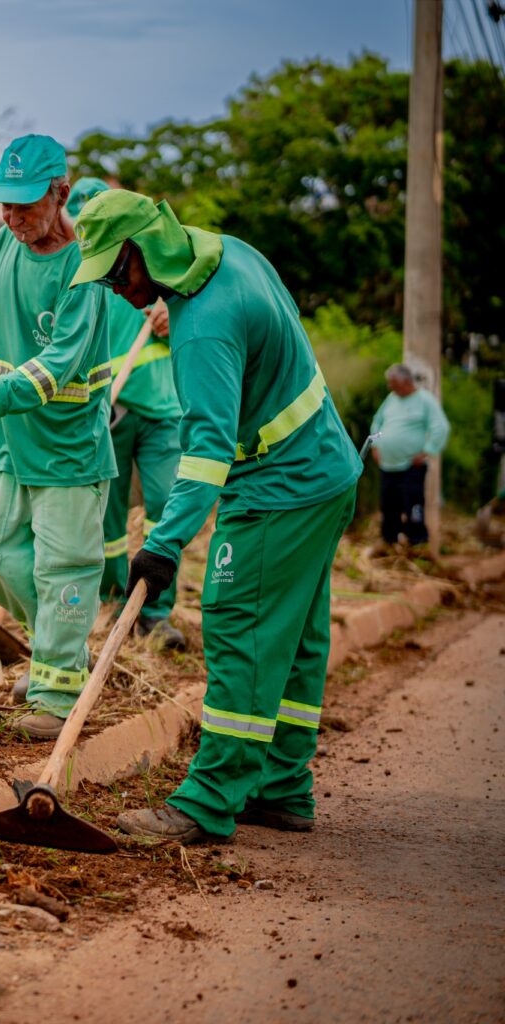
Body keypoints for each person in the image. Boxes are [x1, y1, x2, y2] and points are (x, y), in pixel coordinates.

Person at [69, 189, 362, 843]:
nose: (116, 291)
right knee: (295, 643)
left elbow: (204, 456)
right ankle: (283, 788)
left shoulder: (202, 329)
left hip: (280, 488)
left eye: (118, 272)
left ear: (147, 250)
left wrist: (163, 544)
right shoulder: (227, 252)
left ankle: (208, 799)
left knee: (240, 628)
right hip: (324, 468)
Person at [0, 136, 117, 740]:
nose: (12, 218)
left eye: (25, 205)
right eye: (4, 206)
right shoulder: (9, 249)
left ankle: (58, 693)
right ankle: (61, 656)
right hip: (10, 442)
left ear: (60, 193)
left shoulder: (85, 268)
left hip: (67, 447)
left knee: (63, 567)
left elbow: (63, 358)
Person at [68, 178, 187, 650]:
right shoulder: (83, 274)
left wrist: (169, 312)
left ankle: (156, 613)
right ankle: (117, 602)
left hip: (162, 408)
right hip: (107, 408)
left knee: (164, 508)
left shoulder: (154, 264)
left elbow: (194, 307)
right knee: (107, 520)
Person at [370, 363, 450, 549]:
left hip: (411, 465)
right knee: (388, 506)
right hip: (388, 464)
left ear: (405, 381)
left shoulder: (424, 400)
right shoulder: (391, 398)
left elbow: (440, 427)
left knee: (413, 504)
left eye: (392, 383)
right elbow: (377, 421)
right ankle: (389, 542)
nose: (390, 387)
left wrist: (428, 450)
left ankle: (417, 544)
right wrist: (376, 446)